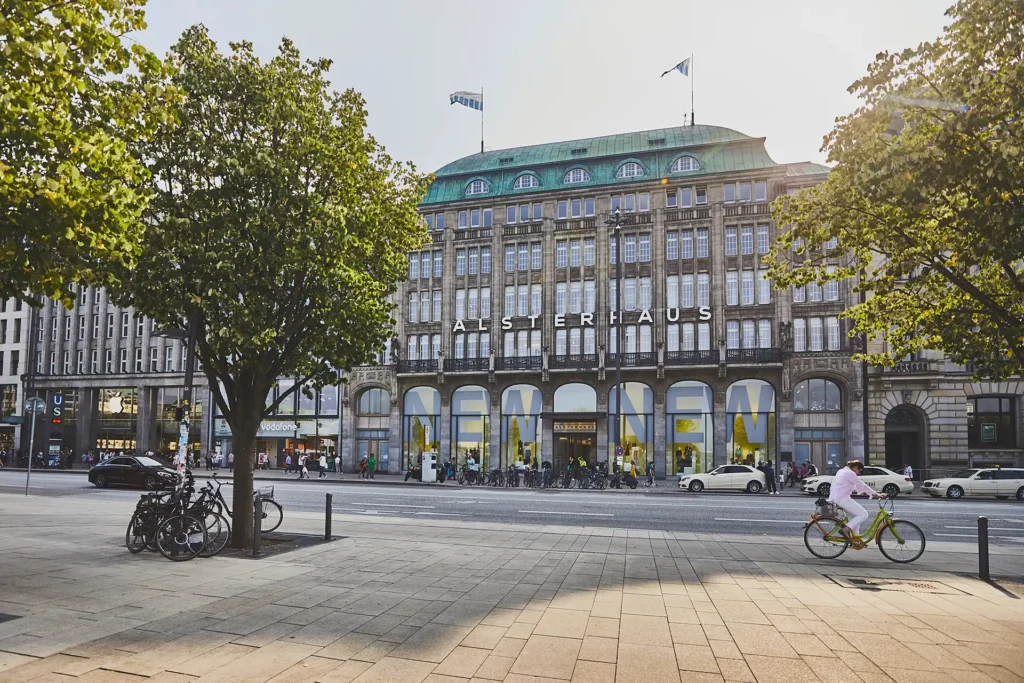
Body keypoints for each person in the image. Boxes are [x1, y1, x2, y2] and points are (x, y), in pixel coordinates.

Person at [828, 460, 886, 540]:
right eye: (859, 470)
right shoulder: (850, 473)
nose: (859, 472)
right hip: (842, 499)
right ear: (855, 467)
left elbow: (850, 485)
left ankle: (855, 540)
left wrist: (867, 493)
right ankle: (846, 529)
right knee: (863, 514)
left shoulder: (841, 471)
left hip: (835, 498)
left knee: (856, 516)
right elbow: (862, 485)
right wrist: (875, 494)